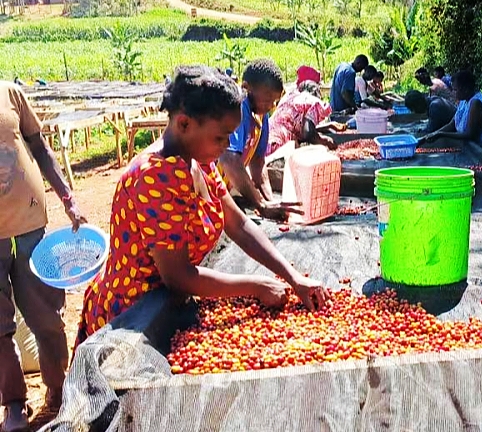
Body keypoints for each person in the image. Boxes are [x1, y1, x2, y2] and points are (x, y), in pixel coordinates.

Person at [78, 66, 328, 344]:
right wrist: (255, 286)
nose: (226, 146)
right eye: (220, 137)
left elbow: (240, 225)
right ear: (184, 124)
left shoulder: (199, 163)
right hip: (132, 321)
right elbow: (179, 277)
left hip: (165, 311)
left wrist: (294, 278)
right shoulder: (156, 177)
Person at [1, 82, 87, 432]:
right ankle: (14, 403)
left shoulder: (9, 93)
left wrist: (68, 197)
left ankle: (56, 385)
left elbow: (38, 146)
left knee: (46, 316)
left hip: (30, 224)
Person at [218, 58, 289, 220]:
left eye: (274, 101)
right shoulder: (238, 107)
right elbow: (230, 160)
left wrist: (270, 201)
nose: (271, 106)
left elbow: (257, 161)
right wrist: (260, 205)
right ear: (246, 88)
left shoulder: (260, 116)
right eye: (267, 100)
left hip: (221, 192)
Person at [419, 69, 482, 148]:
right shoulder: (464, 101)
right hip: (471, 146)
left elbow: (469, 134)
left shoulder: (475, 103)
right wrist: (435, 134)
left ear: (466, 89)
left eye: (455, 90)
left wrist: (441, 134)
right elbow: (452, 124)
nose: (453, 92)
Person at [267, 80, 335, 154]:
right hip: (279, 142)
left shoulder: (290, 96)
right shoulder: (312, 101)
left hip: (265, 136)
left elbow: (299, 128)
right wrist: (325, 141)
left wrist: (328, 126)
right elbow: (308, 133)